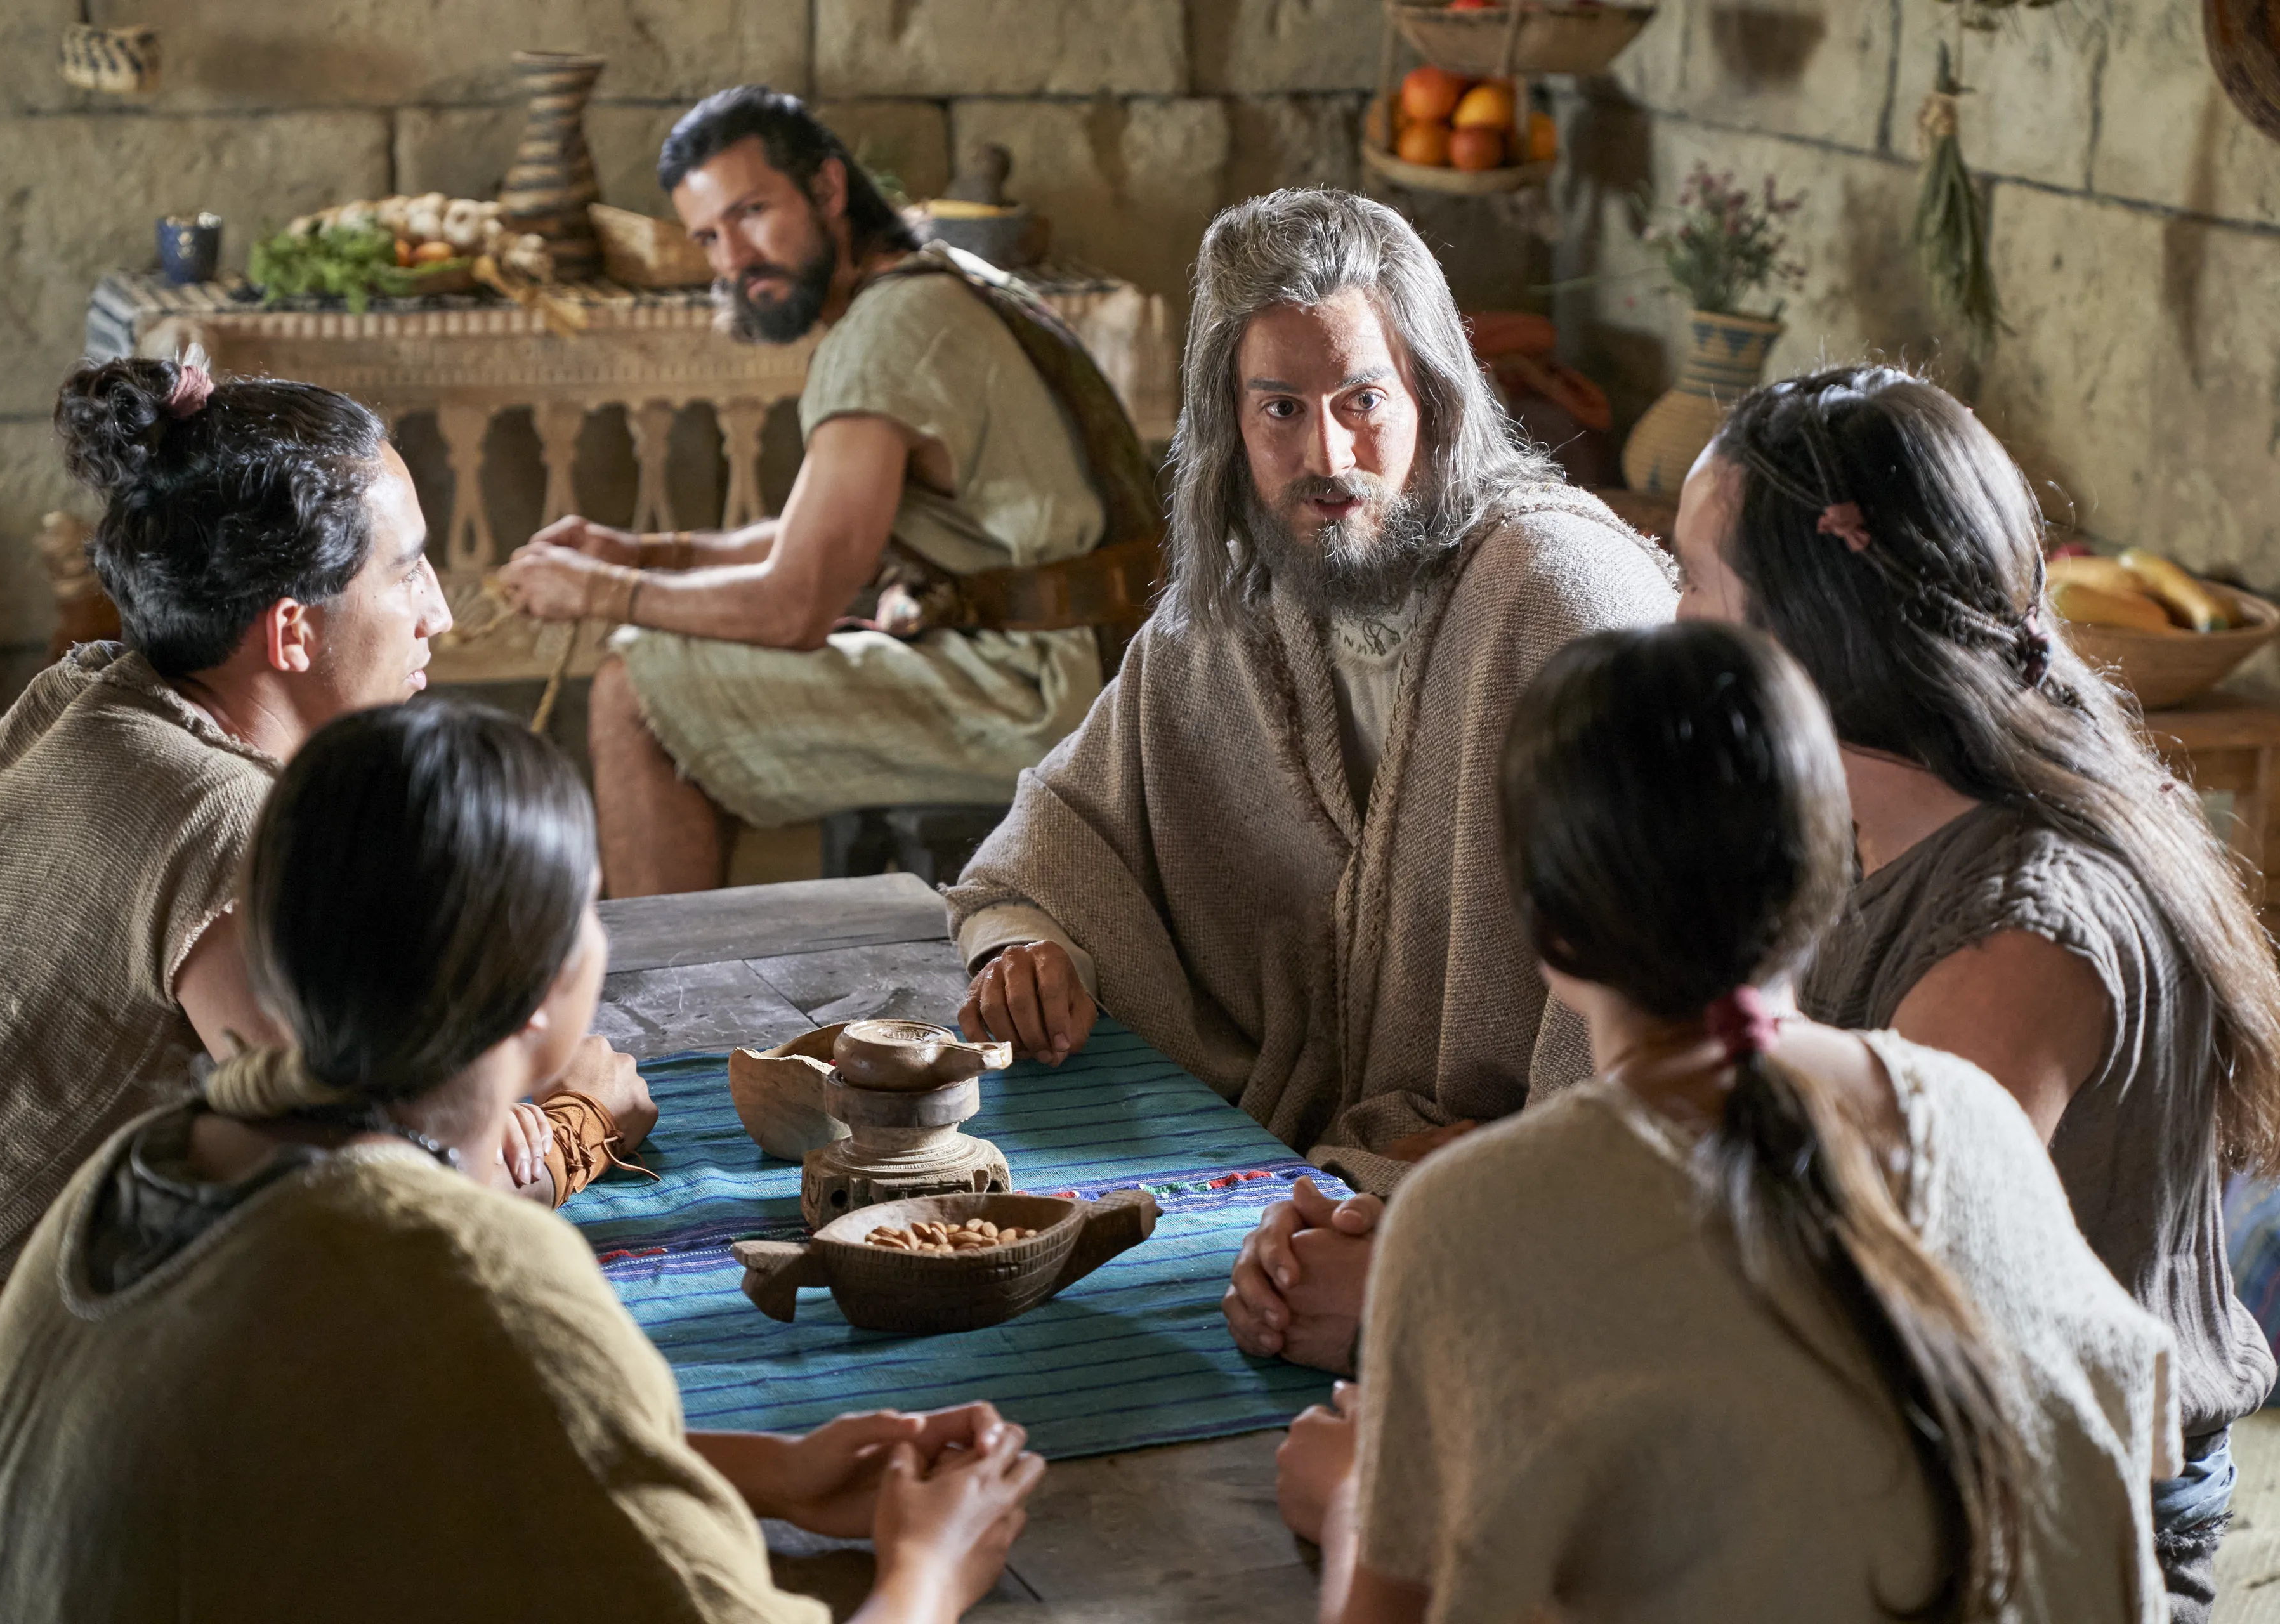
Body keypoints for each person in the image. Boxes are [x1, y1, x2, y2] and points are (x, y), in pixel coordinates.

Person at [0, 702, 1042, 1623]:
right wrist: (928, 1573)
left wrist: (769, 1471)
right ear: (550, 993)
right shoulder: (475, 1267)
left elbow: (384, 1433)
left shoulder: (153, 1167)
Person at [0, 357, 649, 1562]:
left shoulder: (91, 694)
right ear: (289, 627)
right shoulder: (223, 823)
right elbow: (389, 1215)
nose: (439, 608)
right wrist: (575, 1123)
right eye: (407, 567)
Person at [1281, 621, 2175, 1623]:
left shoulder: (1469, 1219)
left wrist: (1362, 1498)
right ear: (1833, 874)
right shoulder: (1976, 1124)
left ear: (1546, 927)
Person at [1665, 363, 2280, 1618]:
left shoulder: (2018, 935)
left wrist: (1470, 1327)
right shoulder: (1819, 822)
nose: (1670, 625)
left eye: (1694, 584)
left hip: (2052, 1520)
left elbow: (1858, 1339)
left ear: (1806, 627)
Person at [945, 188, 1675, 1224]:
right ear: (1230, 425)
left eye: (1363, 401)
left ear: (1433, 395)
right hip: (1296, 1184)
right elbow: (1062, 827)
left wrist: (1520, 1172)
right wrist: (1028, 946)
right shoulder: (1242, 605)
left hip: (1534, 1201)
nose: (1328, 458)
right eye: (1282, 409)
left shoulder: (1566, 598)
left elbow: (1667, 945)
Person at [497, 85, 1161, 898]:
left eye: (751, 213)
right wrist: (644, 551)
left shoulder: (885, 333)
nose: (733, 260)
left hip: (1045, 696)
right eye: (709, 235)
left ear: (828, 189)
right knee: (677, 668)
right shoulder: (943, 277)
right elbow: (819, 537)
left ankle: (667, 1019)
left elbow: (793, 604)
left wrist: (601, 591)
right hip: (1097, 666)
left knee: (635, 689)